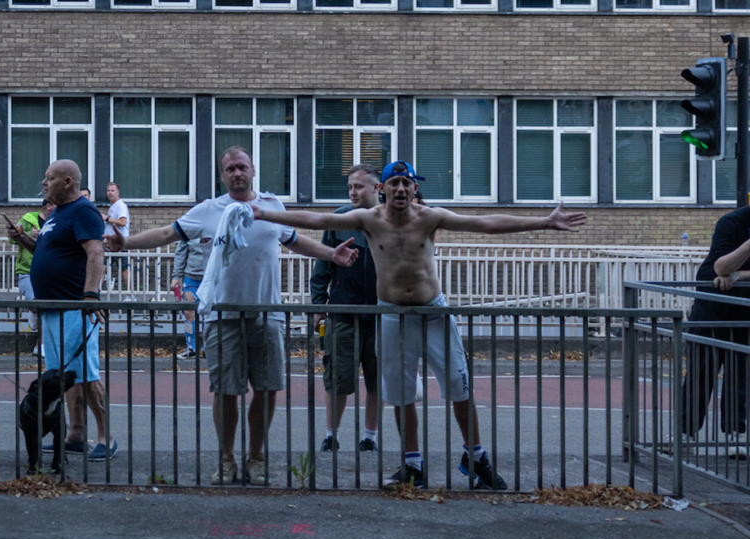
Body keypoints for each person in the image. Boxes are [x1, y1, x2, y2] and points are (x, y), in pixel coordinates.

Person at [252, 161, 587, 489]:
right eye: (394, 183)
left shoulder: (430, 217)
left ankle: (476, 456)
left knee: (460, 385)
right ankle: (413, 465)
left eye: (406, 183)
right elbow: (316, 218)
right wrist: (264, 213)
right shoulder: (367, 219)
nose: (400, 189)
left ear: (414, 188)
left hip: (433, 312)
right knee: (400, 394)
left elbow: (485, 222)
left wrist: (544, 222)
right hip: (393, 313)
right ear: (382, 189)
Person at [106, 146, 358, 486]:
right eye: (230, 169)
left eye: (242, 167)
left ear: (253, 170)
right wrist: (128, 244)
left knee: (267, 389)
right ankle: (226, 459)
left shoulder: (272, 207)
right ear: (222, 176)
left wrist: (333, 254)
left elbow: (296, 241)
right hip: (221, 316)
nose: (237, 173)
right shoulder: (208, 211)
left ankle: (256, 457)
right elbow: (168, 234)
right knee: (226, 390)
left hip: (266, 313)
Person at [309, 164, 416, 458]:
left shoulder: (392, 220)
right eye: (350, 188)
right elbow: (323, 267)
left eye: (358, 187)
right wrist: (319, 305)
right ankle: (331, 436)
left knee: (376, 379)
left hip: (384, 314)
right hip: (343, 312)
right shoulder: (339, 219)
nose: (353, 192)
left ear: (376, 189)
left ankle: (370, 437)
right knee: (338, 379)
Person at [31, 159, 117, 462]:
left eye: (49, 178)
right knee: (62, 376)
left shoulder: (83, 210)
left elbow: (95, 252)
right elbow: (52, 252)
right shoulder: (58, 214)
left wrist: (90, 295)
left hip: (74, 308)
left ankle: (106, 436)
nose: (44, 183)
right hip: (53, 308)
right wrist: (26, 241)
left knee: (86, 373)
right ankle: (76, 432)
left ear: (67, 181)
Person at [681, 205, 750, 459]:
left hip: (743, 308)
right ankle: (684, 431)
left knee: (739, 373)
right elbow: (721, 268)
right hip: (711, 305)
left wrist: (740, 275)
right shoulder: (731, 223)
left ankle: (734, 434)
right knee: (701, 372)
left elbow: (732, 273)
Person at [8, 199, 57, 357]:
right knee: (36, 303)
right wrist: (29, 235)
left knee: (44, 307)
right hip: (27, 270)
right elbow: (12, 238)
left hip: (49, 271)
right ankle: (34, 310)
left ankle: (40, 345)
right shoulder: (28, 219)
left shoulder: (58, 221)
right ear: (49, 206)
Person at [171, 239, 204, 359]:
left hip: (212, 277)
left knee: (211, 313)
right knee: (188, 312)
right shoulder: (190, 227)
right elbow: (181, 253)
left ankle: (209, 348)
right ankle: (192, 347)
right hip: (192, 277)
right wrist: (176, 276)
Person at [102, 182, 130, 293]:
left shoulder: (121, 205)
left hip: (119, 243)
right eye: (108, 190)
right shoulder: (112, 206)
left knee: (124, 269)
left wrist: (107, 219)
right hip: (109, 243)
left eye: (112, 191)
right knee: (102, 268)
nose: (110, 193)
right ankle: (97, 294)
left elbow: (123, 222)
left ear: (117, 192)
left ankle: (130, 295)